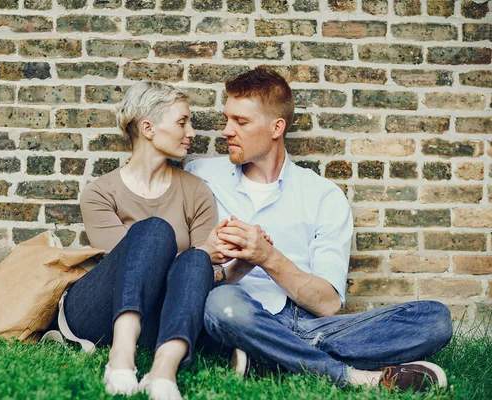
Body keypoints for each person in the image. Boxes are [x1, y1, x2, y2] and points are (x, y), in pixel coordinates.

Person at [185, 66, 453, 392]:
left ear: (276, 127)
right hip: (231, 311)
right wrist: (233, 268)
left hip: (302, 320)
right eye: (227, 118)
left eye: (240, 122)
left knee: (434, 318)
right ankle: (354, 377)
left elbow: (328, 305)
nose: (226, 131)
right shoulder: (200, 176)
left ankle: (269, 358)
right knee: (221, 304)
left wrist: (268, 257)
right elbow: (186, 274)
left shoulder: (323, 196)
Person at [59, 82, 225, 400]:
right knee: (154, 232)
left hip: (163, 320)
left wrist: (207, 256)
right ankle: (120, 358)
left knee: (196, 260)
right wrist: (200, 251)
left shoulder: (196, 191)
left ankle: (163, 372)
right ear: (148, 128)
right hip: (97, 314)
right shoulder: (100, 193)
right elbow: (131, 268)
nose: (191, 132)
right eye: (182, 122)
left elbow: (200, 273)